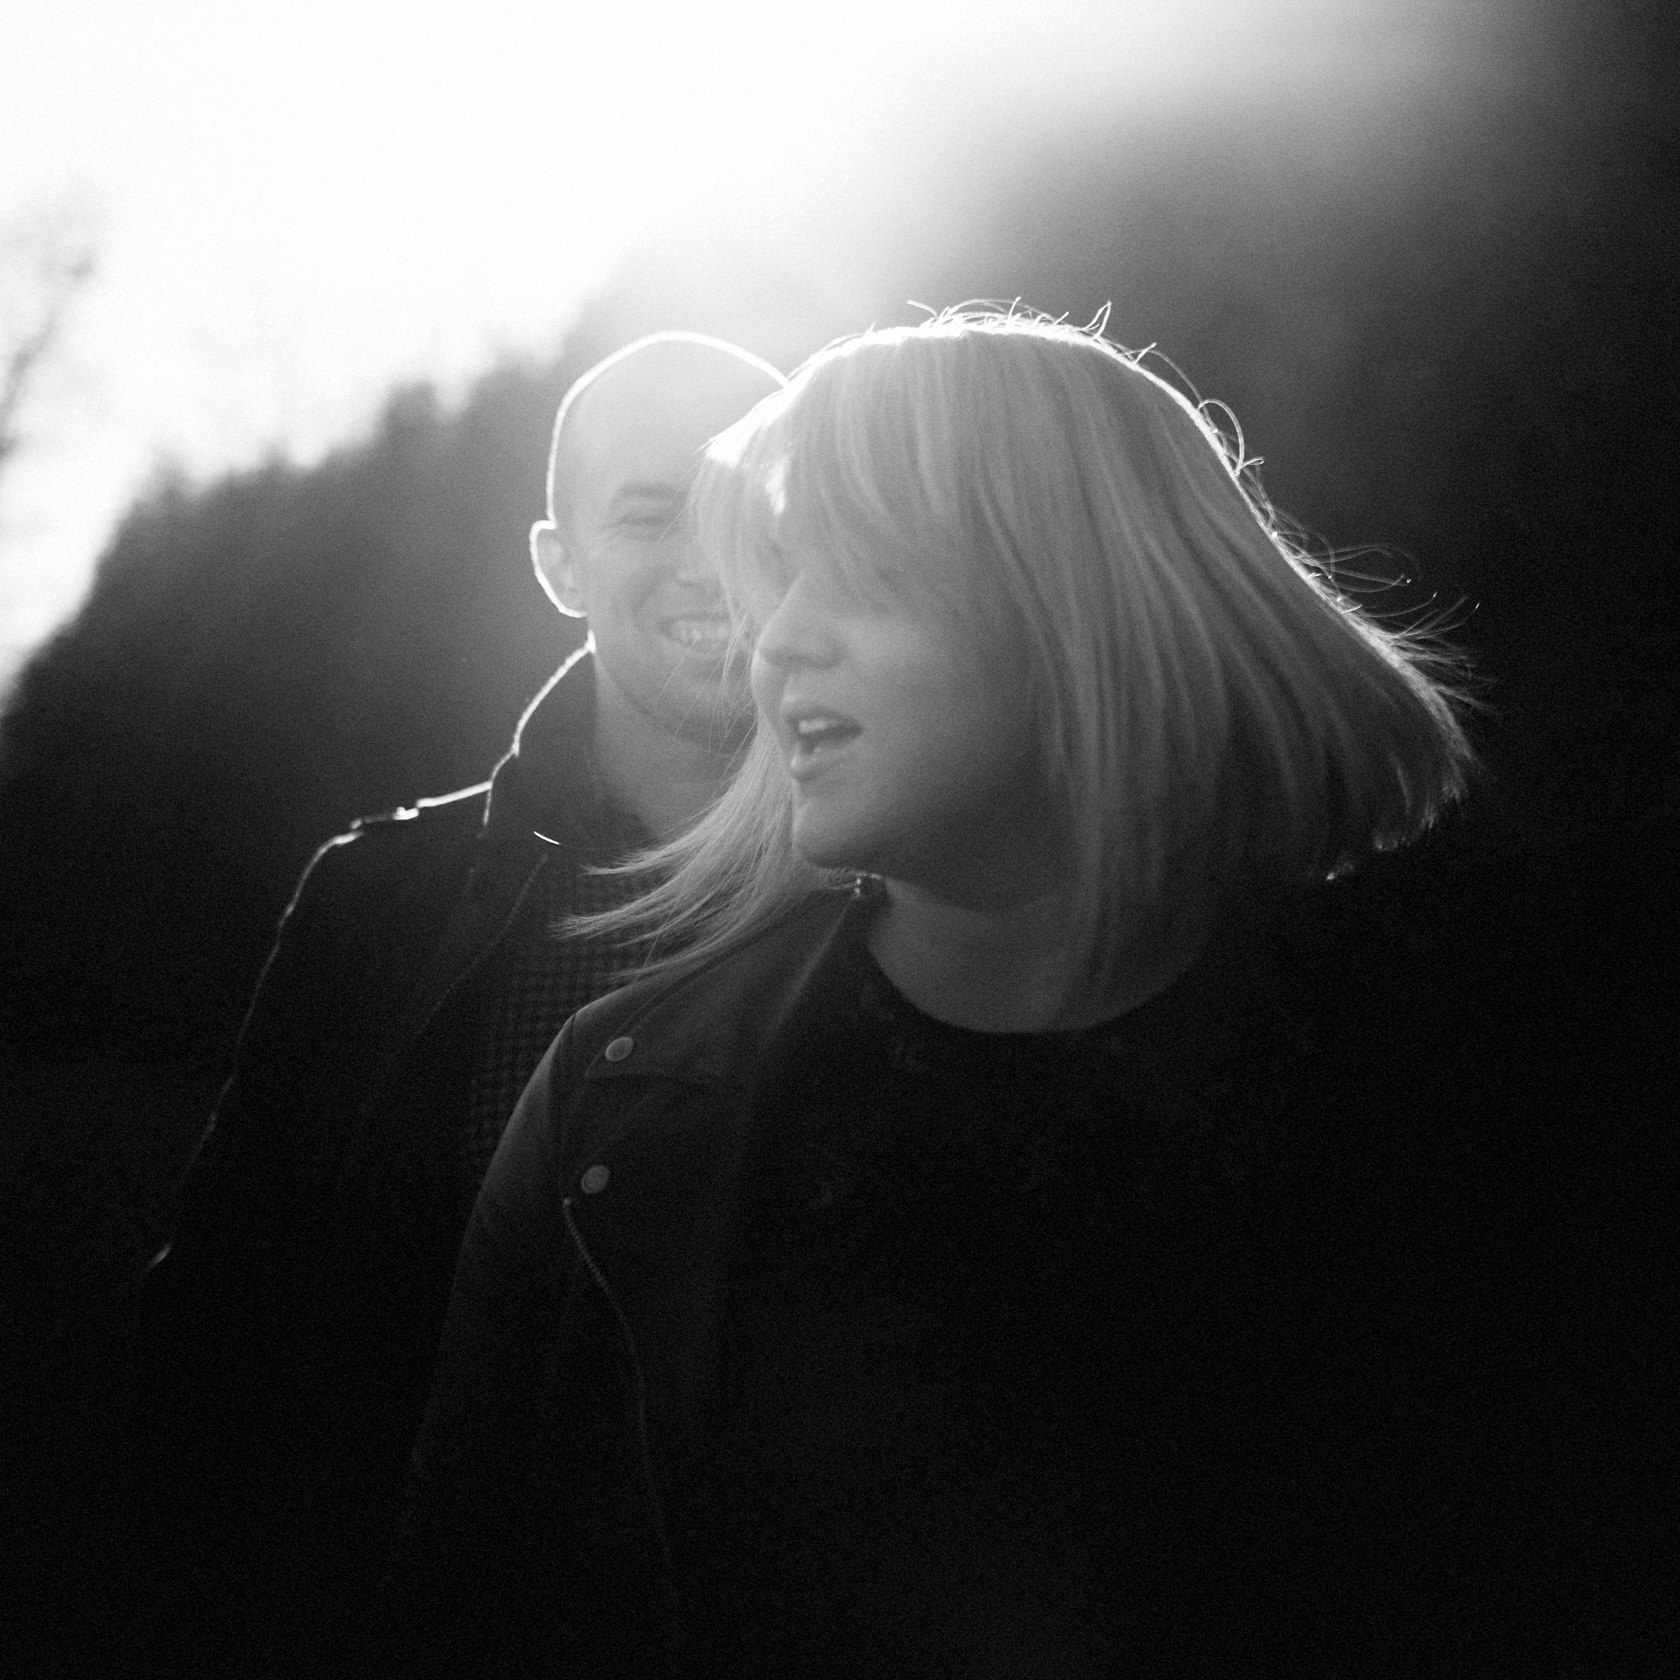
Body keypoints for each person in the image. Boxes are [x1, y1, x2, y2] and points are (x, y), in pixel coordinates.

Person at [372, 309, 1557, 1676]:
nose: (775, 646)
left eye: (858, 572)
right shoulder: (606, 1100)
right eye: (782, 580)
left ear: (1078, 592)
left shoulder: (1469, 1075)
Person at [118, 332, 785, 1675]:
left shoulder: (907, 880)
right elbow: (222, 1330)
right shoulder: (382, 901)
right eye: (651, 512)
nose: (711, 560)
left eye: (756, 513)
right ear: (560, 565)